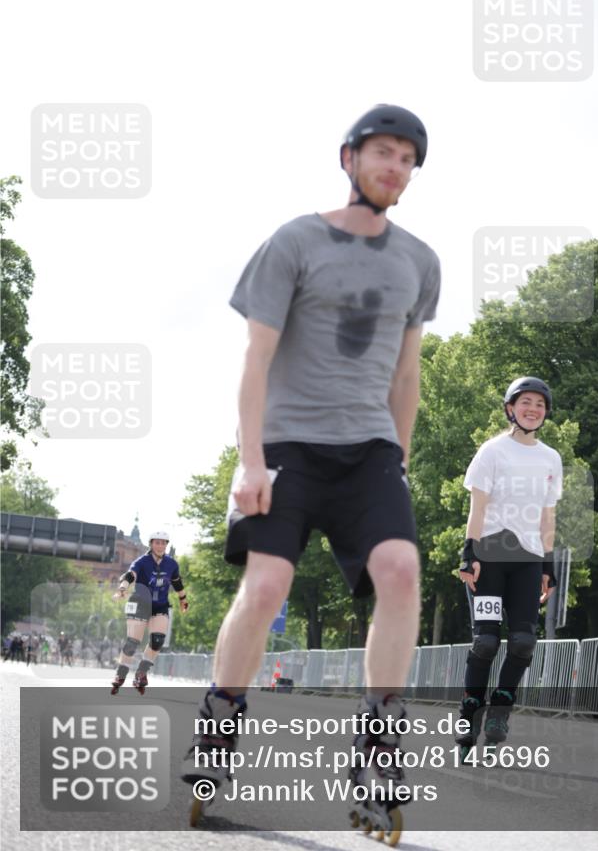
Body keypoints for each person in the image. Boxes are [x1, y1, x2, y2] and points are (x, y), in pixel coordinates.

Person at [182, 104, 441, 833]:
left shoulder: (420, 261)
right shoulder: (294, 240)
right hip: (288, 446)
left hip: (369, 453)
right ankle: (219, 724)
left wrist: (399, 461)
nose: (394, 168)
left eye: (407, 159)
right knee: (266, 586)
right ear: (349, 158)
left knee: (400, 571)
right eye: (383, 152)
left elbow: (407, 374)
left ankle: (377, 749)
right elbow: (255, 358)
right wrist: (249, 461)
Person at [456, 376, 563, 753]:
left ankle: (499, 711)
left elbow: (547, 515)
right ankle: (469, 713)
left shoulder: (551, 458)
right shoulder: (492, 451)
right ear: (510, 408)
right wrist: (469, 553)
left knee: (523, 642)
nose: (533, 409)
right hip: (489, 556)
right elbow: (478, 508)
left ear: (545, 412)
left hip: (528, 560)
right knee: (485, 642)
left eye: (539, 404)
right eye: (525, 402)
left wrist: (548, 565)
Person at [111, 531, 188, 694]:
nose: (160, 546)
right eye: (157, 542)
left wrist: (183, 599)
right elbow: (130, 575)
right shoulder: (141, 562)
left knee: (157, 640)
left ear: (166, 545)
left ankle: (141, 673)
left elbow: (177, 582)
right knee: (132, 643)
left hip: (160, 605)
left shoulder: (171, 564)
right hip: (140, 603)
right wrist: (122, 589)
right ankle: (121, 673)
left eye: (163, 543)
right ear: (151, 544)